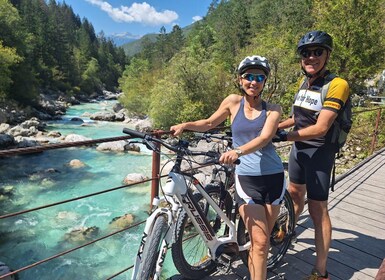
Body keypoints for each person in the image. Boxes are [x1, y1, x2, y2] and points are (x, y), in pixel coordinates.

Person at [170, 55, 285, 280]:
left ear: (265, 81)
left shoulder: (273, 109)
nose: (254, 81)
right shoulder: (233, 102)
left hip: (273, 177)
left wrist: (238, 151)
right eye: (249, 76)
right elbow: (211, 123)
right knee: (260, 243)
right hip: (247, 179)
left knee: (261, 241)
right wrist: (186, 125)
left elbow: (265, 137)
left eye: (259, 77)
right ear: (240, 79)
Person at [274, 30, 350, 280]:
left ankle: (321, 269)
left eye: (318, 52)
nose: (311, 57)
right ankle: (288, 231)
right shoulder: (304, 83)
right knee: (295, 194)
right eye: (306, 53)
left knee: (318, 209)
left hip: (319, 152)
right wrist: (275, 128)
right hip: (299, 150)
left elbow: (321, 127)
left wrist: (285, 137)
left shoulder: (337, 84)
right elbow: (299, 117)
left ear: (327, 55)